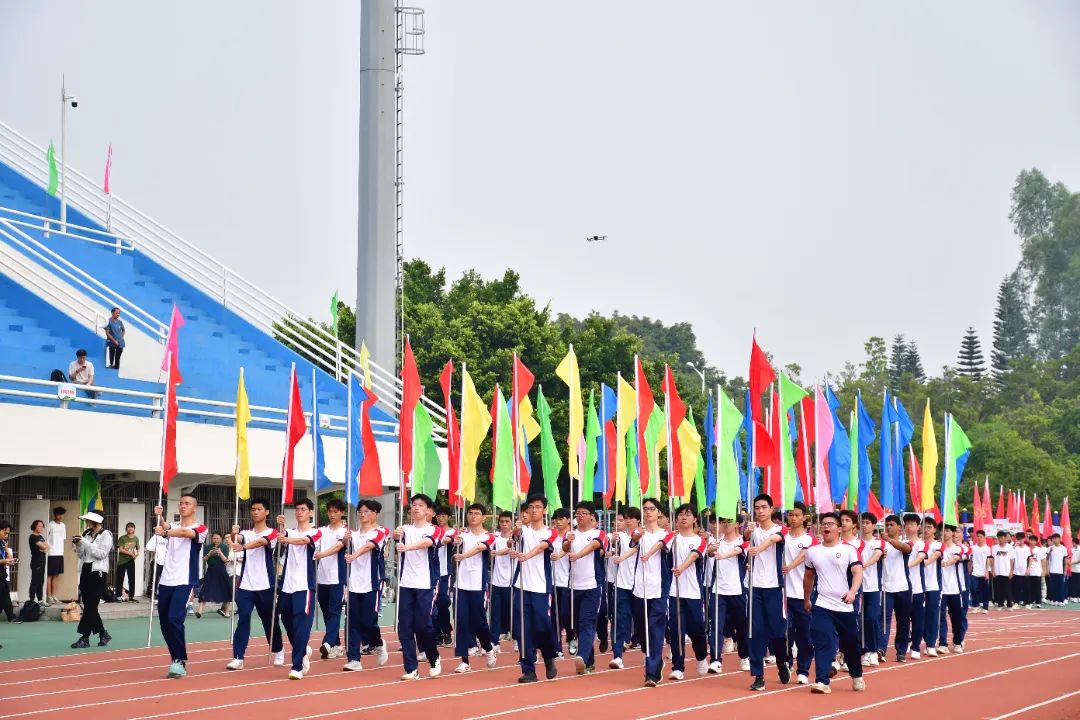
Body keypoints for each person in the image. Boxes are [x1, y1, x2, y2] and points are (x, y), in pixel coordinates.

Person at [804, 511, 865, 694]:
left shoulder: (849, 550)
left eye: (831, 524)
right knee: (822, 641)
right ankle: (822, 681)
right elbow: (808, 577)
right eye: (824, 524)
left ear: (839, 529)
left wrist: (853, 592)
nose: (826, 526)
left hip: (845, 605)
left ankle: (857, 675)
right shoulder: (812, 552)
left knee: (851, 644)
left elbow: (857, 573)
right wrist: (807, 599)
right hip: (822, 603)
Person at [153, 495, 208, 678]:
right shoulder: (173, 527)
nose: (183, 506)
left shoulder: (200, 528)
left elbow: (185, 533)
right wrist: (160, 516)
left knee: (174, 619)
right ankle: (175, 658)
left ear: (195, 508)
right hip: (166, 580)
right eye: (181, 503)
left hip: (185, 580)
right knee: (165, 622)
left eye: (187, 504)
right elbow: (168, 526)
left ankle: (180, 661)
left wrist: (165, 532)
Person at [227, 498, 285, 670]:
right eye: (253, 509)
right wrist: (233, 534)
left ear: (267, 512)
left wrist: (243, 547)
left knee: (269, 620)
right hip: (246, 584)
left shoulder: (273, 532)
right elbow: (237, 539)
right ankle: (238, 657)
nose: (255, 512)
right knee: (243, 617)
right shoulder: (246, 533)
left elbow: (262, 542)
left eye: (259, 509)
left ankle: (278, 649)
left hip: (265, 584)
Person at [394, 493, 445, 680]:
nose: (416, 508)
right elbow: (395, 536)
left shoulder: (435, 530)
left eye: (421, 505)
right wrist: (396, 534)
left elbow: (427, 542)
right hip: (406, 583)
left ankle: (434, 657)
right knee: (405, 627)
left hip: (426, 583)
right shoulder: (405, 529)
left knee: (423, 625)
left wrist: (407, 547)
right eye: (414, 505)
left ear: (428, 510)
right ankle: (411, 668)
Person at [510, 494, 559, 684]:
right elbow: (513, 539)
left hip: (541, 586)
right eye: (531, 507)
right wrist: (516, 530)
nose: (533, 510)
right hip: (521, 585)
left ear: (545, 510)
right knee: (523, 629)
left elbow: (542, 547)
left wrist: (526, 555)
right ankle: (528, 669)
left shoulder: (550, 532)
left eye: (538, 507)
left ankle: (548, 656)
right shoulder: (523, 529)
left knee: (542, 625)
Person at [745, 493, 789, 691]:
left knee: (777, 630)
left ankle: (781, 661)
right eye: (757, 508)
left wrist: (758, 548)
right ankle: (758, 675)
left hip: (774, 587)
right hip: (755, 586)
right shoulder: (752, 530)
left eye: (764, 507)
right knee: (755, 631)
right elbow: (744, 541)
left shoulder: (781, 529)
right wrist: (748, 534)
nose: (760, 511)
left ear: (771, 509)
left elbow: (773, 539)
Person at [274, 499, 321, 680]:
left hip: (305, 586)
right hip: (287, 585)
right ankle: (302, 650)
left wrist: (286, 539)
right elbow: (281, 539)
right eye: (297, 509)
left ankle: (297, 666)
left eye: (303, 509)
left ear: (311, 512)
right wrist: (280, 527)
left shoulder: (316, 532)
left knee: (301, 624)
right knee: (286, 619)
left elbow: (304, 541)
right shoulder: (289, 532)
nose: (299, 512)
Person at [343, 499, 390, 671]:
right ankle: (354, 659)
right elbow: (342, 546)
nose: (362, 514)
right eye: (360, 511)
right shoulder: (353, 534)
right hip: (353, 582)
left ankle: (378, 643)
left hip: (372, 582)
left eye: (367, 511)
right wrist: (345, 540)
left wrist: (354, 555)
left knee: (368, 620)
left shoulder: (381, 531)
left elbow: (370, 545)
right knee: (352, 621)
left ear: (375, 514)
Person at [632, 497, 674, 688]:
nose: (648, 512)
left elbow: (660, 544)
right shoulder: (638, 533)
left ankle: (651, 672)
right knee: (642, 630)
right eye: (645, 509)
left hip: (659, 589)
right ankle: (655, 661)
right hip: (639, 588)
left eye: (652, 509)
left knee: (655, 629)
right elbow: (632, 544)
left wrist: (648, 554)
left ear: (659, 513)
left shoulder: (668, 534)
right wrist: (636, 537)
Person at [451, 502, 498, 673]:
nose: (473, 516)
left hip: (478, 584)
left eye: (477, 513)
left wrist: (463, 555)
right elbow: (454, 548)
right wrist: (456, 543)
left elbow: (480, 548)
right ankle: (464, 661)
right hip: (461, 584)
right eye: (470, 513)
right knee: (461, 621)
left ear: (483, 517)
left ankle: (488, 648)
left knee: (479, 622)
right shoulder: (462, 535)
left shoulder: (489, 536)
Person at [666, 503, 708, 681]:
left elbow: (694, 555)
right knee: (676, 630)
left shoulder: (700, 540)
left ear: (694, 519)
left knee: (696, 628)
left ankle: (701, 656)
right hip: (674, 592)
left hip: (693, 592)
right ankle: (678, 667)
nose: (683, 517)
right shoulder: (672, 539)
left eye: (687, 514)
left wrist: (681, 568)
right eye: (681, 514)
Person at [565, 501, 606, 676]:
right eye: (578, 513)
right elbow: (565, 548)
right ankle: (588, 661)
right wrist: (568, 542)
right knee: (573, 622)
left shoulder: (599, 533)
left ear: (591, 516)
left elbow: (595, 545)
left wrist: (578, 555)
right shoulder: (571, 534)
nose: (580, 516)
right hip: (573, 585)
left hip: (591, 586)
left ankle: (581, 656)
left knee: (586, 622)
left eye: (584, 513)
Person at [706, 513, 749, 674]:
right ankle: (716, 660)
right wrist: (711, 550)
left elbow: (738, 550)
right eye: (723, 521)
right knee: (716, 626)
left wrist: (723, 555)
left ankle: (744, 656)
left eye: (729, 521)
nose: (725, 524)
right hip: (718, 591)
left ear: (737, 524)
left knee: (742, 627)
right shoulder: (716, 542)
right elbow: (709, 552)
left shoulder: (743, 542)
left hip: (738, 591)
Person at [782, 502, 816, 684]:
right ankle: (786, 663)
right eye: (790, 515)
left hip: (803, 595)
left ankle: (803, 669)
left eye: (797, 515)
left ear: (804, 517)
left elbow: (805, 555)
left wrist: (790, 566)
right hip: (784, 595)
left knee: (804, 635)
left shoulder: (810, 540)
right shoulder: (782, 538)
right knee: (784, 632)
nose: (793, 518)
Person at [70, 512, 113, 648]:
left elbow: (101, 554)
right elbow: (81, 555)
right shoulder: (87, 534)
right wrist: (78, 544)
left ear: (96, 521)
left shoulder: (106, 534)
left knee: (91, 606)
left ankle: (85, 637)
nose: (87, 523)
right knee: (89, 605)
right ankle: (103, 633)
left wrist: (85, 542)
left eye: (89, 521)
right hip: (86, 570)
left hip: (98, 573)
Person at [315, 498, 348, 660]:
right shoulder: (322, 530)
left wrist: (322, 554)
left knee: (334, 611)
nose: (332, 515)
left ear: (342, 513)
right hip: (322, 578)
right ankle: (336, 645)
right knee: (326, 613)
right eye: (330, 512)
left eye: (336, 512)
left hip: (338, 579)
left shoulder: (345, 532)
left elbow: (338, 546)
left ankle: (328, 642)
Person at [608, 506, 641, 670]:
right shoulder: (619, 535)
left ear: (638, 520)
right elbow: (610, 545)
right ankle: (617, 655)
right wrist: (612, 542)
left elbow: (636, 548)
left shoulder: (643, 536)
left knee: (641, 620)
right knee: (619, 619)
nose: (628, 521)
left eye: (631, 518)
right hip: (621, 584)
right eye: (625, 518)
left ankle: (648, 652)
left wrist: (621, 558)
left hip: (640, 586)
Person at [881, 514, 913, 662]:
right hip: (885, 587)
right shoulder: (880, 544)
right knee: (884, 620)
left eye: (892, 525)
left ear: (899, 527)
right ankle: (881, 649)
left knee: (903, 621)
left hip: (902, 587)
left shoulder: (906, 542)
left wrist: (888, 540)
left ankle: (901, 651)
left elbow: (905, 549)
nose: (888, 527)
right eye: (887, 525)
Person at [857, 512, 885, 667]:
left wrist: (863, 565)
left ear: (874, 526)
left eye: (867, 523)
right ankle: (860, 650)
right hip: (856, 587)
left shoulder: (878, 542)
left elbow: (877, 555)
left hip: (873, 587)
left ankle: (873, 651)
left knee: (871, 618)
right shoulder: (855, 542)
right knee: (857, 621)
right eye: (862, 522)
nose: (864, 525)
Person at [431, 505, 458, 648]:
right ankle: (436, 633)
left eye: (443, 516)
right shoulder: (432, 530)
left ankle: (446, 631)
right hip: (431, 572)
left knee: (443, 602)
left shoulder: (453, 532)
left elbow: (445, 541)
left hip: (444, 572)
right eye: (438, 516)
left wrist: (432, 540)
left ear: (448, 517)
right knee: (432, 604)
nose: (440, 518)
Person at [902, 514, 927, 660]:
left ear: (918, 527)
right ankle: (905, 641)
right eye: (907, 524)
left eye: (912, 524)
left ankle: (916, 646)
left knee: (917, 619)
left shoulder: (922, 544)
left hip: (917, 588)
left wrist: (904, 567)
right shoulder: (901, 543)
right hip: (902, 587)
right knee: (903, 619)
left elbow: (920, 558)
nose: (909, 527)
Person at [940, 526, 968, 652]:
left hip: (955, 588)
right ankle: (942, 643)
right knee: (940, 617)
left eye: (947, 531)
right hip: (940, 589)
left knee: (956, 617)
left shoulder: (959, 548)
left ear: (952, 533)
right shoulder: (938, 547)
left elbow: (957, 558)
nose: (944, 533)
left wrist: (945, 563)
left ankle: (957, 641)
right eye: (943, 530)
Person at [549, 507, 573, 657]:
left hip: (568, 582)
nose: (558, 522)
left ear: (568, 520)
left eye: (561, 519)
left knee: (566, 614)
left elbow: (568, 548)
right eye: (556, 519)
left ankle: (571, 637)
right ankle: (557, 647)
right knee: (554, 616)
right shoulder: (550, 536)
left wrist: (560, 554)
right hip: (552, 581)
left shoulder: (572, 535)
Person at [918, 518, 943, 658]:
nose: (926, 530)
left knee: (932, 615)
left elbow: (934, 557)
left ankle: (931, 644)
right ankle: (915, 642)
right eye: (924, 527)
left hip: (932, 585)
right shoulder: (918, 544)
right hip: (917, 585)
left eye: (929, 527)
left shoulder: (938, 545)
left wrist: (921, 562)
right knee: (917, 615)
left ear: (934, 530)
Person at [489, 511, 515, 643]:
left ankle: (514, 636)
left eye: (507, 521)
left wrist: (497, 552)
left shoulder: (517, 538)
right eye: (502, 522)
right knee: (495, 612)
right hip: (496, 581)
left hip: (512, 581)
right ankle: (494, 641)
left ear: (512, 523)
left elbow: (510, 549)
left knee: (511, 611)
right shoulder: (495, 538)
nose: (504, 524)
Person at [197, 532, 231, 618]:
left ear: (221, 539)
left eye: (218, 538)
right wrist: (209, 554)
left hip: (221, 570)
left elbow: (225, 560)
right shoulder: (208, 547)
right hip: (211, 570)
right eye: (214, 538)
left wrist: (220, 553)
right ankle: (199, 611)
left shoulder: (224, 547)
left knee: (227, 590)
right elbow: (204, 559)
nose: (216, 540)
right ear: (212, 539)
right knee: (205, 589)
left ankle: (227, 612)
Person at [46, 507, 67, 604]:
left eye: (62, 514)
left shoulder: (63, 525)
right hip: (51, 553)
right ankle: (49, 596)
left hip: (60, 552)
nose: (61, 516)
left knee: (56, 575)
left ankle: (54, 595)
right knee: (49, 575)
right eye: (59, 514)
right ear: (55, 515)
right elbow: (46, 538)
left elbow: (63, 538)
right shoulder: (50, 524)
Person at [116, 522, 140, 602]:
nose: (130, 528)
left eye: (132, 527)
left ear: (134, 529)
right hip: (122, 561)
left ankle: (131, 596)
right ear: (126, 529)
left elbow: (138, 548)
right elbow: (120, 549)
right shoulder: (122, 538)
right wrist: (130, 554)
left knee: (132, 579)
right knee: (120, 579)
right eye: (128, 527)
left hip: (131, 561)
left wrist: (137, 554)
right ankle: (118, 596)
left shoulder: (136, 538)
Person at [969, 530, 992, 613]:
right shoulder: (973, 548)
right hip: (975, 571)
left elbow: (988, 560)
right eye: (978, 536)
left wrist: (987, 571)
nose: (979, 538)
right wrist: (969, 569)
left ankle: (985, 607)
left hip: (984, 572)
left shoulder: (987, 548)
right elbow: (971, 559)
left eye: (981, 536)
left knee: (985, 590)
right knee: (973, 589)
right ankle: (976, 605)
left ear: (984, 537)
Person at [991, 531, 1014, 609]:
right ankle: (1000, 604)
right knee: (999, 589)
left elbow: (1011, 560)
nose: (1000, 539)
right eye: (998, 538)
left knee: (1007, 589)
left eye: (1001, 537)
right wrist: (993, 570)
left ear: (1005, 538)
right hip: (998, 571)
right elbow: (993, 559)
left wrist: (1011, 571)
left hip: (1006, 571)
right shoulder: (994, 548)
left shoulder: (1009, 547)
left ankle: (1009, 604)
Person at [27, 520, 48, 604]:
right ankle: (31, 600)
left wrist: (44, 547)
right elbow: (44, 547)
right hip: (36, 562)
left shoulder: (40, 536)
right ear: (35, 526)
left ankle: (40, 600)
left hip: (42, 561)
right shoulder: (33, 537)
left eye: (42, 526)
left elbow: (48, 546)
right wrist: (44, 547)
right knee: (35, 581)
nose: (41, 528)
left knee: (41, 581)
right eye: (39, 526)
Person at [0, 522, 16, 623]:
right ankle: (11, 617)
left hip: (1, 572)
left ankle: (11, 617)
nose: (6, 536)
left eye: (8, 534)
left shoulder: (2, 543)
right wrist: (4, 561)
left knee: (5, 593)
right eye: (5, 533)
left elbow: (8, 556)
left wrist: (9, 558)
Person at [1046, 534, 1067, 605]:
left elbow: (1065, 560)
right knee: (1053, 586)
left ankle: (1061, 600)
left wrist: (1065, 570)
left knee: (1060, 586)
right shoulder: (1050, 548)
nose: (1054, 540)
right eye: (1053, 539)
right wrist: (1047, 569)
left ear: (1059, 539)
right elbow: (1047, 559)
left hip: (1060, 571)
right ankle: (1054, 600)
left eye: (1055, 538)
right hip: (1052, 570)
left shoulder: (1063, 548)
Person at [1028, 535, 1047, 609]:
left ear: (1036, 542)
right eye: (1031, 540)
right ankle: (1030, 601)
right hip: (1028, 572)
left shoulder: (1039, 550)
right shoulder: (1027, 549)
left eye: (1034, 540)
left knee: (1037, 588)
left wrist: (1043, 571)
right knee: (1029, 588)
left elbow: (1043, 560)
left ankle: (1038, 602)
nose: (1032, 542)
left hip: (1037, 572)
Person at [1012, 531, 1030, 607]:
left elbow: (1029, 559)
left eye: (1021, 539)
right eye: (1018, 539)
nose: (1020, 540)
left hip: (1025, 571)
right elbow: (1012, 559)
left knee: (1026, 587)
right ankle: (1016, 602)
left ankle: (1027, 602)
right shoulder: (1014, 548)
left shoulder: (1027, 548)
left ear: (1024, 539)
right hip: (1016, 571)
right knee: (1016, 588)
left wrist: (1028, 569)